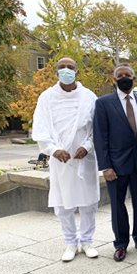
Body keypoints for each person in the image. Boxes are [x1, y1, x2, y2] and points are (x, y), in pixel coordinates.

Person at [32, 57, 99, 262]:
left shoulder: (89, 96)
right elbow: (40, 128)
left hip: (84, 158)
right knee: (63, 205)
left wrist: (87, 147)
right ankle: (70, 242)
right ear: (56, 72)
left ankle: (87, 241)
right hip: (60, 161)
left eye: (71, 67)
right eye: (62, 67)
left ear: (77, 72)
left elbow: (97, 128)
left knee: (88, 203)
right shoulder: (46, 97)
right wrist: (53, 150)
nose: (66, 70)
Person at [93, 63, 137, 262]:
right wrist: (105, 166)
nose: (124, 78)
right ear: (114, 79)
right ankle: (120, 243)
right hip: (115, 165)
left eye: (127, 75)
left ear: (134, 79)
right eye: (120, 75)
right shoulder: (103, 103)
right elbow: (100, 136)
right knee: (118, 205)